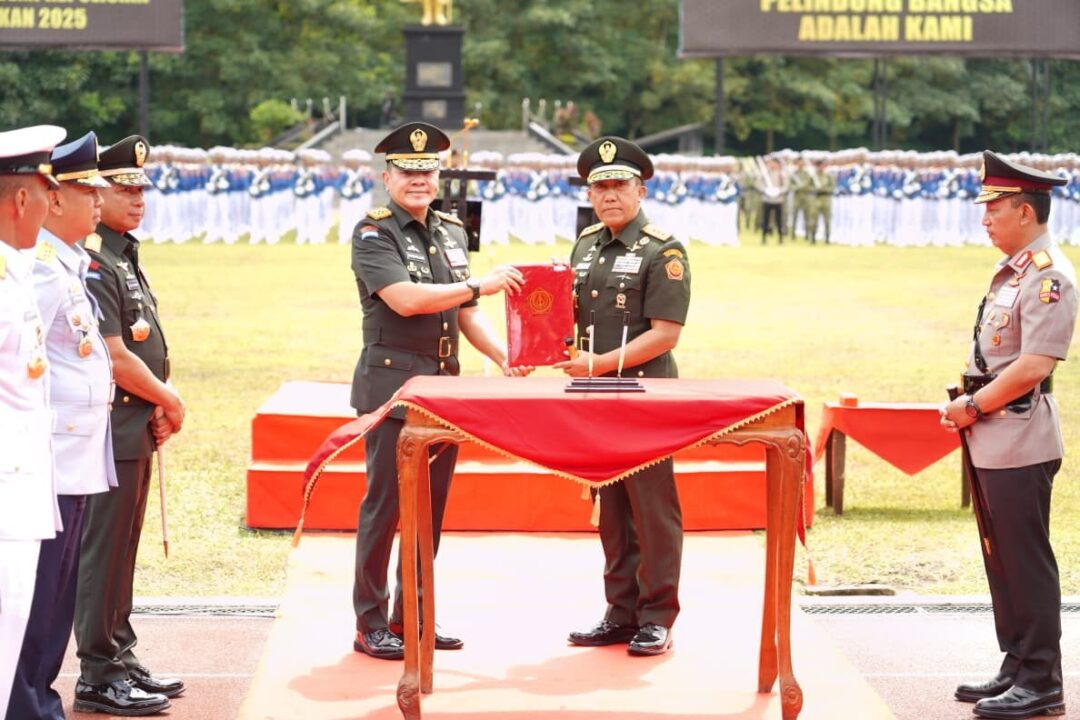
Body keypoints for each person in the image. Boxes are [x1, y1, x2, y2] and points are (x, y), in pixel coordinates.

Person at [350, 122, 529, 660]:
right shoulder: (372, 232)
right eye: (408, 171)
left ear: (439, 176)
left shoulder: (452, 231)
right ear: (387, 177)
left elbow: (465, 311)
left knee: (429, 508)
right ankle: (371, 621)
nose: (419, 180)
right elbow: (405, 300)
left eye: (427, 171)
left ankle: (415, 614)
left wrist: (504, 356)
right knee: (384, 507)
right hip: (392, 386)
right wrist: (480, 284)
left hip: (445, 389)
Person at [941, 150, 1075, 720]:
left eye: (994, 207)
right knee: (1002, 561)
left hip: (1018, 434)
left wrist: (972, 404)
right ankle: (1016, 663)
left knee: (1025, 561)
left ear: (1024, 211)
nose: (985, 217)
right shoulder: (1013, 271)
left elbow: (1034, 364)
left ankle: (1042, 679)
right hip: (994, 434)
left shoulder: (1048, 276)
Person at [554, 136, 691, 657]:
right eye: (600, 185)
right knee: (610, 504)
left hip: (645, 394)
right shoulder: (586, 243)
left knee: (652, 508)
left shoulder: (663, 249)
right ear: (590, 193)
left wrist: (599, 364)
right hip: (595, 396)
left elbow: (665, 333)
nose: (609, 194)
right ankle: (620, 611)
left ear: (641, 189)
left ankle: (657, 616)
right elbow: (572, 317)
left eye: (619, 185)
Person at [6, 132, 118, 720]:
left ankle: (36, 698)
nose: (97, 201)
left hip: (66, 453)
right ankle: (28, 701)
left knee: (55, 591)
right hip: (41, 457)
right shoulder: (39, 271)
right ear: (46, 199)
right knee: (38, 595)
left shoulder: (62, 265)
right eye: (84, 190)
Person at [74, 136, 186, 716]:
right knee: (103, 552)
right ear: (98, 194)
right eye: (123, 187)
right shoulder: (95, 258)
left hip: (133, 424)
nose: (136, 196)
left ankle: (119, 652)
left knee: (122, 552)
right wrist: (170, 399)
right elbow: (114, 355)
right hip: (110, 425)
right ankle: (97, 672)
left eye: (141, 187)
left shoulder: (122, 255)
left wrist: (159, 403)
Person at [0, 124, 65, 718]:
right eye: (48, 191)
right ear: (23, 198)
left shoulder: (16, 270)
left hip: (20, 491)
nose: (53, 204)